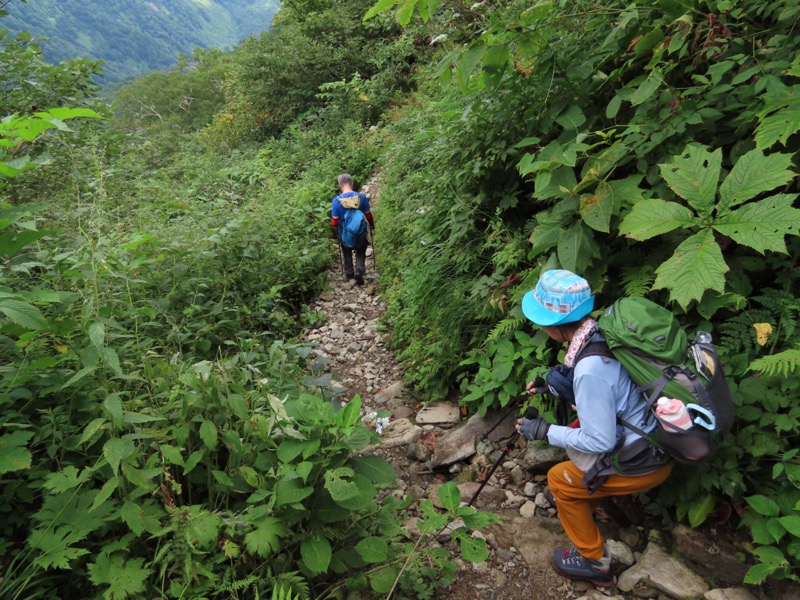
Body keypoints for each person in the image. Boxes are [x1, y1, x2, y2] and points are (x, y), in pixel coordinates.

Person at [515, 269, 673, 587]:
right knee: (574, 463)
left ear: (554, 326)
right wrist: (556, 385)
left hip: (644, 463)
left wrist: (544, 431)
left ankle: (595, 563)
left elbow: (599, 439)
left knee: (558, 481)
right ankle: (599, 505)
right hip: (657, 438)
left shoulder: (589, 370)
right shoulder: (602, 333)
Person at [330, 173, 374, 285]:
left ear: (340, 185)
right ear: (352, 183)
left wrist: (336, 225)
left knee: (346, 250)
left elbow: (334, 221)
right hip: (360, 231)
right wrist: (372, 225)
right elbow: (368, 214)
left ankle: (349, 274)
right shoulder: (362, 197)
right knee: (361, 248)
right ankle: (359, 270)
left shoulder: (336, 200)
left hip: (345, 232)